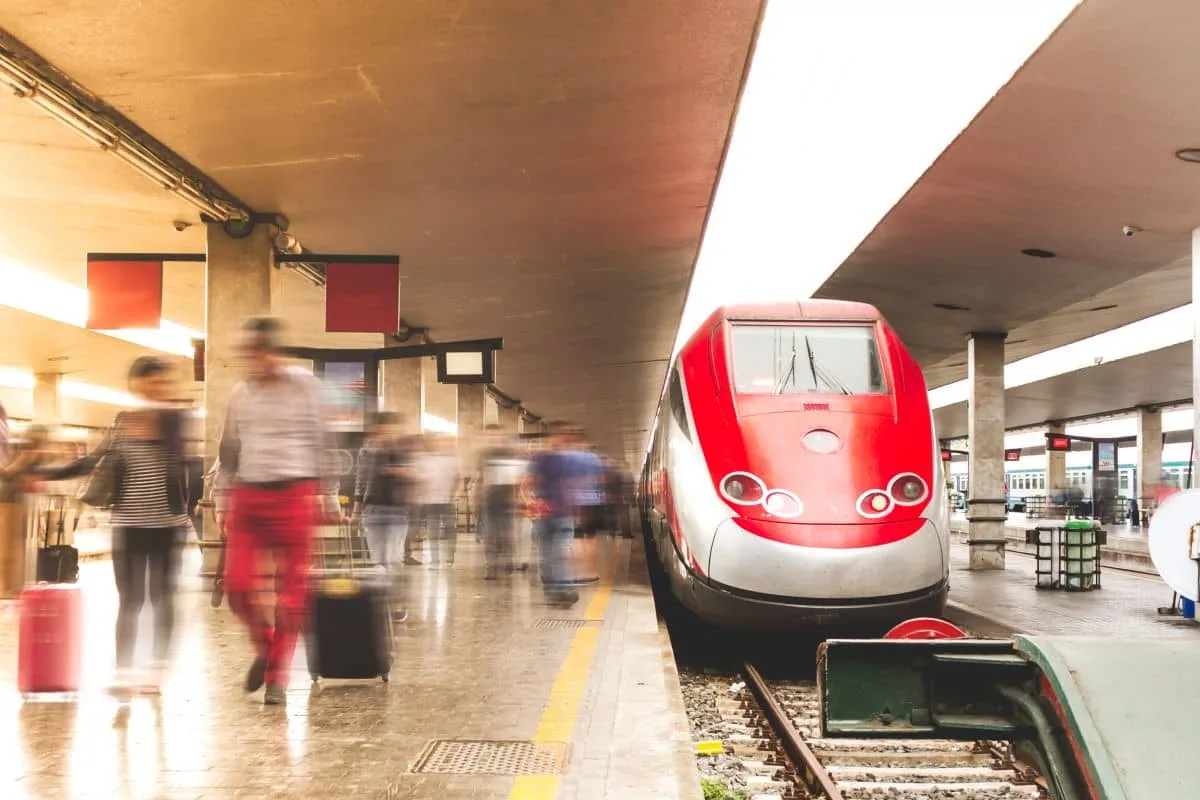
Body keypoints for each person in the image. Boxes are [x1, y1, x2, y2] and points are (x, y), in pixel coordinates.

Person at [32, 357, 199, 697]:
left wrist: (195, 517)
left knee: (161, 597)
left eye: (163, 382)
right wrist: (46, 473)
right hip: (128, 523)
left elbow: (191, 471)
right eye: (151, 381)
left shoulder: (177, 421)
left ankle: (155, 667)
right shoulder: (123, 423)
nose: (158, 388)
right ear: (136, 385)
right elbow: (91, 462)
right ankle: (123, 668)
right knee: (130, 599)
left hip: (167, 524)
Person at [214, 317, 339, 706]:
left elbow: (324, 442)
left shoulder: (306, 387)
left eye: (261, 351)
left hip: (295, 495)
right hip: (248, 496)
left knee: (292, 596)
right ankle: (264, 647)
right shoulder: (240, 393)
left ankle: (277, 677)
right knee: (236, 589)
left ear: (275, 351)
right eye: (249, 353)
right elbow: (229, 449)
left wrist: (330, 494)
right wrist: (221, 498)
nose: (255, 359)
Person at [351, 411, 416, 619]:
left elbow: (414, 475)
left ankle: (397, 602)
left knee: (393, 559)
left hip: (397, 511)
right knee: (378, 562)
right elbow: (360, 482)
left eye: (392, 428)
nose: (388, 432)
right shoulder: (367, 451)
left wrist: (396, 470)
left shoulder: (405, 450)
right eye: (384, 428)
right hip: (372, 511)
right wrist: (355, 511)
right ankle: (380, 604)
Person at [528, 422, 581, 605]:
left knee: (560, 552)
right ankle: (553, 589)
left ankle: (562, 588)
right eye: (560, 435)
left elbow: (574, 485)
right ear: (551, 437)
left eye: (566, 437)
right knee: (547, 553)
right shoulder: (542, 459)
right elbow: (529, 481)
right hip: (545, 514)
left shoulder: (567, 460)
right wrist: (533, 502)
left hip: (563, 513)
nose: (563, 440)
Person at [475, 425, 526, 579]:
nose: (492, 440)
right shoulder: (484, 456)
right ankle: (491, 567)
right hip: (489, 501)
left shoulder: (511, 455)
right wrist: (477, 499)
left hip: (507, 501)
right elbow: (479, 478)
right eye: (489, 437)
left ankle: (507, 560)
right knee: (490, 536)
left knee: (507, 535)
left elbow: (519, 480)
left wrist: (518, 499)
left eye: (495, 436)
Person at [416, 433, 460, 566]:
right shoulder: (425, 459)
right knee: (433, 530)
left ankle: (450, 556)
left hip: (447, 500)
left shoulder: (451, 459)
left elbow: (457, 478)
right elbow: (420, 478)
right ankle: (435, 560)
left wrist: (453, 494)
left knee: (450, 529)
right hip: (431, 500)